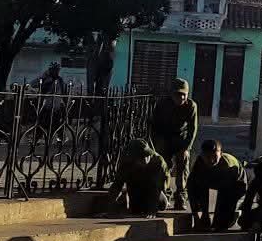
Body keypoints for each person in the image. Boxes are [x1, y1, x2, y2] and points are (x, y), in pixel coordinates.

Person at [148, 78, 198, 210]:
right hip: (164, 137)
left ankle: (181, 197)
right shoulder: (163, 104)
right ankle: (165, 194)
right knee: (163, 166)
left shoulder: (191, 106)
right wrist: (156, 145)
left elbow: (193, 130)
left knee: (183, 163)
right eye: (178, 94)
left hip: (180, 139)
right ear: (171, 94)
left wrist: (186, 148)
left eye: (184, 94)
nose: (181, 97)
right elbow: (153, 125)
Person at [186, 138, 245, 232]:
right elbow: (194, 187)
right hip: (213, 179)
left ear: (221, 154)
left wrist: (217, 221)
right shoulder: (200, 162)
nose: (211, 160)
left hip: (236, 184)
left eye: (214, 157)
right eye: (207, 157)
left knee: (221, 223)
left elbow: (224, 196)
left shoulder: (228, 166)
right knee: (193, 183)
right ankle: (205, 219)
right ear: (202, 156)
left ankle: (234, 214)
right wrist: (199, 215)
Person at [105, 138, 168, 216]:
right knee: (136, 210)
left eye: (147, 155)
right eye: (141, 158)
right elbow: (117, 184)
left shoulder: (159, 161)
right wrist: (111, 209)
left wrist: (152, 210)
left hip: (153, 189)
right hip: (135, 188)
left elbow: (157, 187)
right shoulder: (127, 162)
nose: (145, 160)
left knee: (162, 204)